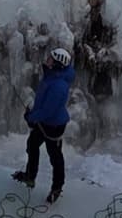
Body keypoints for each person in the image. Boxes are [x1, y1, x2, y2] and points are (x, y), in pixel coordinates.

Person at [11, 46, 76, 205]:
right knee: (32, 145)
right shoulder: (51, 76)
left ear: (57, 64)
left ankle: (56, 188)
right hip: (44, 122)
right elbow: (43, 102)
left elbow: (48, 110)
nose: (47, 59)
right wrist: (33, 112)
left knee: (55, 156)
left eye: (51, 58)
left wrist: (32, 117)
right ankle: (30, 176)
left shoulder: (59, 85)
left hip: (54, 126)